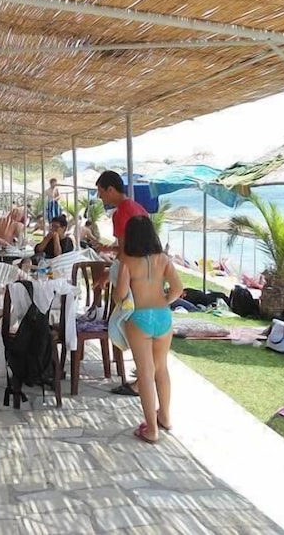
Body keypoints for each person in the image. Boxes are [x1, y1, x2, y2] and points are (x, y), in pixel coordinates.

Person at [115, 216, 184, 443]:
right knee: (161, 369)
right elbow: (178, 289)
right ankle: (165, 416)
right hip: (163, 316)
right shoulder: (163, 259)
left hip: (140, 317)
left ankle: (151, 429)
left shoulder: (127, 261)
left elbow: (120, 295)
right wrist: (164, 300)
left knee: (145, 373)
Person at [97, 170, 150, 397]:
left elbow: (126, 251)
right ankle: (144, 376)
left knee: (131, 326)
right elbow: (132, 245)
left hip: (133, 276)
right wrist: (111, 250)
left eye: (101, 192)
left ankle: (141, 382)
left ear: (111, 189)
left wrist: (110, 274)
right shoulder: (138, 208)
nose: (100, 197)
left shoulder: (120, 213)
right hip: (148, 275)